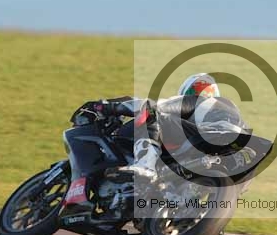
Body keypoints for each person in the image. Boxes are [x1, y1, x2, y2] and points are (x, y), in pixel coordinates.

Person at [87, 73, 247, 181]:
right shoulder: (231, 110)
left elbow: (151, 105)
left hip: (211, 135)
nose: (198, 93)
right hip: (239, 148)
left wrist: (109, 107)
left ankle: (145, 166)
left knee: (152, 113)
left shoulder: (196, 101)